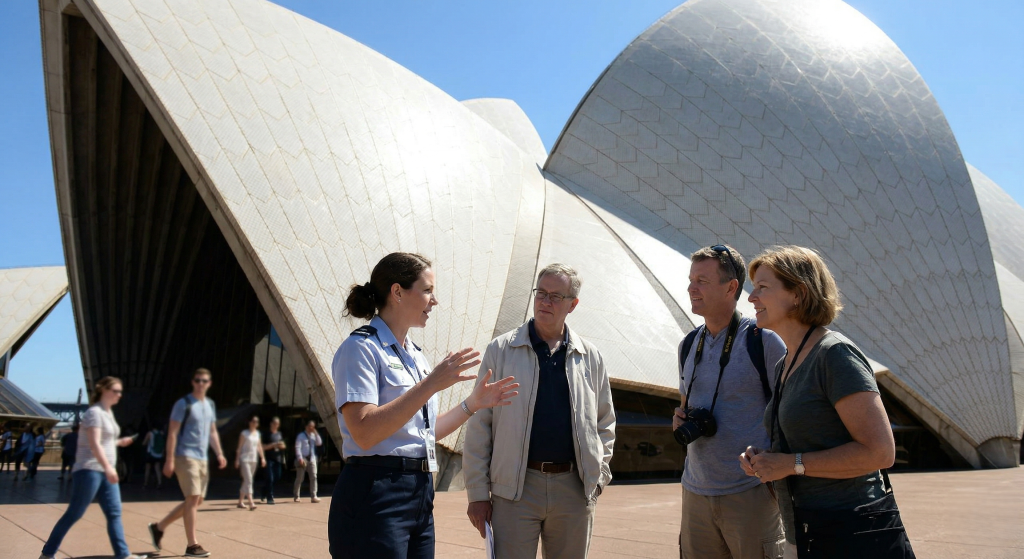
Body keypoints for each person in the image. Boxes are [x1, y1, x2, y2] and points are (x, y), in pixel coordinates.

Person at [329, 252, 519, 558]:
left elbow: (422, 436)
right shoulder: (360, 348)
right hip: (375, 490)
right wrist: (431, 384)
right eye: (428, 290)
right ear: (397, 292)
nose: (435, 301)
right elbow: (363, 432)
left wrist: (473, 404)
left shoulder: (416, 356)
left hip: (419, 492)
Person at [740, 246, 908, 559]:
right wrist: (768, 459)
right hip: (804, 531)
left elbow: (880, 452)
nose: (751, 298)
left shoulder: (834, 354)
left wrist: (790, 464)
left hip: (850, 532)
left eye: (762, 287)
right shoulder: (784, 364)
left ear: (798, 294)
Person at [464, 263, 616, 559]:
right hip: (515, 490)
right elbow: (481, 424)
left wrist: (598, 477)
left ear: (573, 304)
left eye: (556, 296)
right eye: (541, 293)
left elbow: (605, 422)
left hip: (573, 490)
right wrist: (478, 494)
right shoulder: (501, 350)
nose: (546, 301)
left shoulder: (590, 357)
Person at [672, 245, 787, 559]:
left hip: (750, 492)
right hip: (695, 492)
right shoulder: (687, 344)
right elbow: (685, 403)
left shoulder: (763, 341)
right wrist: (680, 419)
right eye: (691, 280)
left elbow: (788, 414)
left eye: (702, 281)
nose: (691, 288)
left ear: (731, 287)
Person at [39, 377, 143, 559]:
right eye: (115, 391)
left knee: (114, 513)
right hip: (89, 470)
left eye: (120, 391)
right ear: (104, 390)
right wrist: (109, 468)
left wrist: (119, 442)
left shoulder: (107, 413)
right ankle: (47, 553)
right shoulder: (94, 413)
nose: (119, 395)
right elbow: (95, 444)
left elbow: (105, 442)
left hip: (104, 470)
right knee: (75, 513)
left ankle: (123, 554)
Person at [148, 368, 227, 558]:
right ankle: (192, 545)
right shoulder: (183, 404)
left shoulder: (209, 405)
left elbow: (212, 431)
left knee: (196, 500)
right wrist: (169, 459)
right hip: (184, 456)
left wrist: (219, 453)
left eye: (204, 381)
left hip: (202, 458)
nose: (201, 384)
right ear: (193, 382)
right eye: (197, 380)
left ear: (209, 383)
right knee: (192, 498)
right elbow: (173, 433)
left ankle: (159, 527)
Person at [235, 415, 266, 510]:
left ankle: (240, 502)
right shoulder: (244, 433)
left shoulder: (258, 434)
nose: (255, 423)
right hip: (245, 459)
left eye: (256, 421)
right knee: (249, 480)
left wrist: (262, 458)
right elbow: (239, 447)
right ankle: (251, 502)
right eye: (253, 421)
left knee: (247, 480)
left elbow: (259, 446)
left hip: (254, 459)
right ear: (249, 422)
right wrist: (237, 459)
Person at [293, 419, 322, 503]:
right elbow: (297, 447)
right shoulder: (301, 436)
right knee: (300, 478)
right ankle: (296, 495)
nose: (311, 428)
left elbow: (319, 443)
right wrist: (300, 458)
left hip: (312, 459)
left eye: (313, 427)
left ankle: (314, 496)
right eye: (310, 426)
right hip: (303, 458)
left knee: (314, 477)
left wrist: (316, 433)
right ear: (306, 427)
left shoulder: (313, 435)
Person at [260, 416, 285, 504]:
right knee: (270, 478)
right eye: (274, 423)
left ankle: (264, 490)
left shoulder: (279, 434)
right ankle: (270, 497)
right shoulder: (266, 434)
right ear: (271, 424)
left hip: (277, 459)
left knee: (277, 477)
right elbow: (262, 447)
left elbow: (283, 445)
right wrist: (273, 445)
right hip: (268, 459)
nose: (276, 425)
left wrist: (281, 445)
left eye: (277, 424)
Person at [142, 424, 166, 488]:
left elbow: (144, 443)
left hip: (150, 453)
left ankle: (145, 483)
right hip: (158, 454)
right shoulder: (161, 433)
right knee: (157, 469)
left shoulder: (150, 433)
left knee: (148, 468)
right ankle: (159, 483)